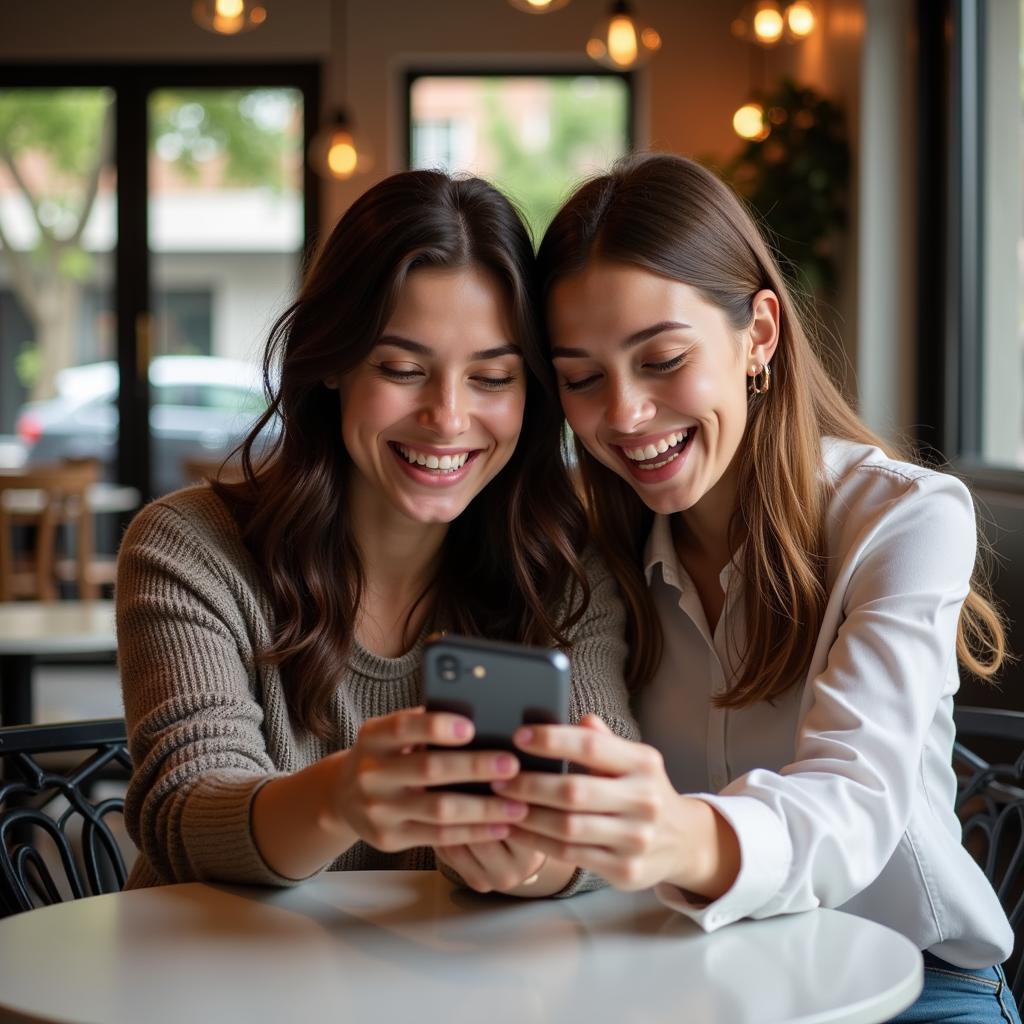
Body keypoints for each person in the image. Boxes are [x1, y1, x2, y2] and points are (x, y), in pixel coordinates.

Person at [491, 153, 1018, 1022]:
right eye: (582, 379)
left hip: (917, 988)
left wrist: (673, 832)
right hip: (686, 984)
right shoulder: (587, 547)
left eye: (661, 359)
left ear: (759, 335)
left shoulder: (904, 519)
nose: (623, 415)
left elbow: (850, 800)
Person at [116, 169, 637, 900]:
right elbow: (184, 811)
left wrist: (535, 861)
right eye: (401, 368)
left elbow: (602, 786)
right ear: (332, 362)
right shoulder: (190, 548)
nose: (448, 417)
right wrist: (341, 797)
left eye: (492, 379)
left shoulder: (563, 561)